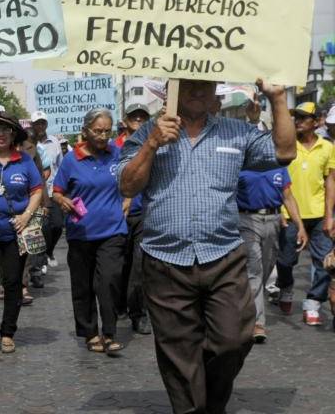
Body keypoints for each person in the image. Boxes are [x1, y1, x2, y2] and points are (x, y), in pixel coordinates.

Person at [119, 78, 295, 414]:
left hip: (223, 257)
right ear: (172, 89)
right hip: (165, 258)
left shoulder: (235, 131)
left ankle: (211, 403)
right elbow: (127, 186)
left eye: (205, 84)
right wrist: (152, 144)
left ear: (216, 88)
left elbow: (284, 152)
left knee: (234, 340)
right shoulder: (146, 134)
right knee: (178, 352)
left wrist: (278, 98)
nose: (198, 91)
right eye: (189, 85)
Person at [53, 109, 129, 354]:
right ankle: (89, 332)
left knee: (109, 281)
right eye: (98, 131)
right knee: (83, 285)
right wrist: (62, 200)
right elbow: (56, 191)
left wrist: (128, 198)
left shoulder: (117, 154)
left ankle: (109, 332)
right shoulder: (71, 160)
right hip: (81, 232)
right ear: (85, 131)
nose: (103, 135)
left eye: (108, 131)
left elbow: (133, 178)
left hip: (113, 230)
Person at [0, 113, 43, 354]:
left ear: (14, 134)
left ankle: (8, 332)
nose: (0, 134)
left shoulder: (24, 161)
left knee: (13, 283)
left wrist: (26, 216)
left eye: (6, 130)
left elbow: (37, 190)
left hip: (16, 232)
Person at [276, 101, 335, 326]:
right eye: (295, 117)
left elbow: (331, 181)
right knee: (285, 260)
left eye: (303, 117)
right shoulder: (286, 145)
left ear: (316, 121)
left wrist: (329, 215)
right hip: (289, 214)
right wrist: (278, 209)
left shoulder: (328, 147)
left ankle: (312, 303)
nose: (297, 121)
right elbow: (277, 179)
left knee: (323, 261)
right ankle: (286, 286)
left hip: (319, 213)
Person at [236, 167, 306, 343]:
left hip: (273, 220)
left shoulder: (279, 167)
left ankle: (244, 304)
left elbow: (288, 197)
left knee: (264, 270)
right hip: (246, 219)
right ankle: (257, 323)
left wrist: (300, 226)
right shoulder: (242, 163)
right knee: (254, 270)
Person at [115, 104, 152, 335]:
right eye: (134, 117)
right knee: (119, 265)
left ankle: (139, 313)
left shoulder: (153, 144)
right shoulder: (112, 147)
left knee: (140, 267)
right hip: (116, 216)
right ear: (125, 121)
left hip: (143, 214)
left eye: (143, 117)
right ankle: (119, 305)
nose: (138, 120)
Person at [30, 110, 65, 277]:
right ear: (32, 125)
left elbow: (60, 165)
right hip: (36, 192)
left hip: (53, 190)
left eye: (43, 123)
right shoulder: (28, 143)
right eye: (37, 123)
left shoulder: (55, 142)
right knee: (42, 227)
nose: (40, 126)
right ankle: (40, 259)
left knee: (57, 225)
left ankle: (49, 251)